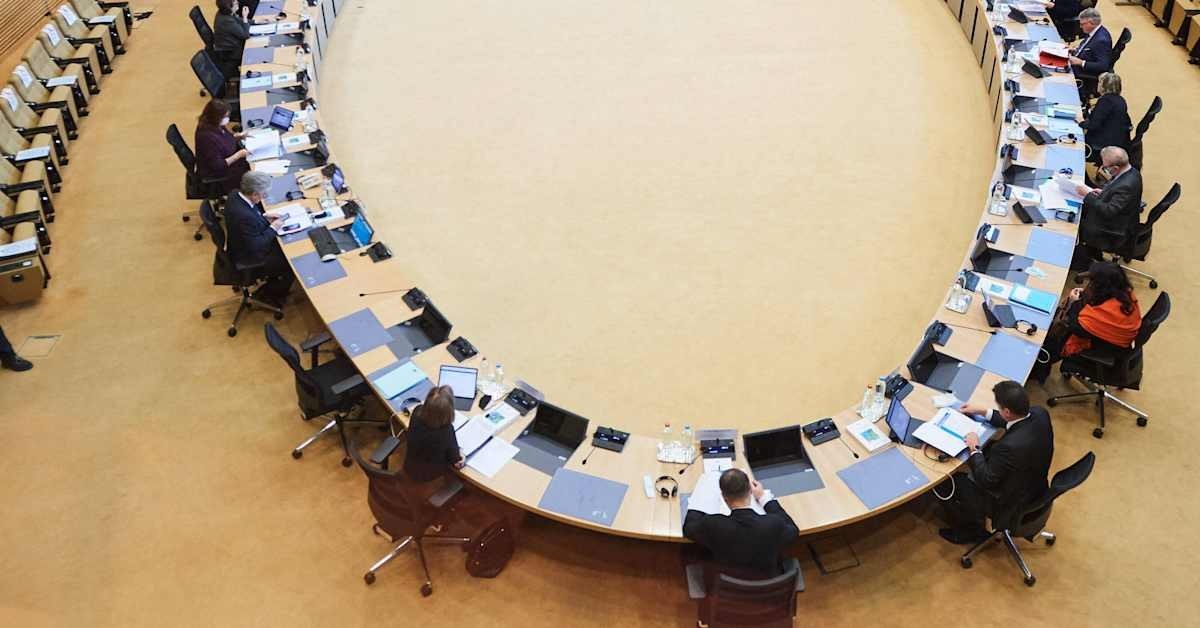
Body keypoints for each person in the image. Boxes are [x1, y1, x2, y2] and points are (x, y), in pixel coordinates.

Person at [938, 381, 1054, 544]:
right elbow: (1013, 420)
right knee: (991, 448)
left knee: (948, 482)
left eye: (998, 408)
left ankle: (970, 531)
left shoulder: (1009, 447)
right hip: (1035, 486)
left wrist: (974, 447)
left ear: (1006, 411)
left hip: (1010, 503)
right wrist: (984, 412)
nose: (998, 409)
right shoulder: (1040, 414)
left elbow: (985, 479)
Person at [1031, 261, 1141, 383]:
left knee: (1053, 339)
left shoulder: (1106, 313)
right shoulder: (1124, 293)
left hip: (1102, 349)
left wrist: (1074, 302)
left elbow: (1075, 326)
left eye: (1093, 282)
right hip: (1116, 344)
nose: (1090, 285)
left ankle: (1038, 369)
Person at [682, 468, 799, 576]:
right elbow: (793, 530)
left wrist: (701, 498)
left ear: (723, 496)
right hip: (767, 588)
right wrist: (764, 498)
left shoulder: (713, 525)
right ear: (750, 491)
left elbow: (688, 528)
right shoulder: (773, 524)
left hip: (725, 587)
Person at [223, 171, 294, 308]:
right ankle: (271, 295)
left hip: (238, 243)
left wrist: (264, 218)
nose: (264, 197)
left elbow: (251, 217)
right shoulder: (244, 217)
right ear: (254, 194)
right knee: (290, 262)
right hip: (249, 256)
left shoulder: (235, 195)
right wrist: (273, 228)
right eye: (263, 194)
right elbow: (256, 244)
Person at [1072, 146, 1142, 267]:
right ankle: (1091, 253)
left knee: (1072, 224)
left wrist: (1087, 195)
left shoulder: (1127, 185)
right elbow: (1115, 191)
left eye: (1105, 167)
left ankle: (1081, 262)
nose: (1103, 169)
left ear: (1115, 168)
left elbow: (1109, 211)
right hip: (1120, 217)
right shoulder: (1131, 171)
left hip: (1112, 229)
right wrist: (1104, 192)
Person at [403, 386, 465, 483]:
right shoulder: (446, 431)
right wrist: (461, 453)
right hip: (430, 477)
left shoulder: (417, 411)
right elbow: (456, 460)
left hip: (409, 465)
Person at [194, 99, 249, 193]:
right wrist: (239, 155)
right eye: (225, 116)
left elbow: (225, 139)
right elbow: (219, 166)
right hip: (220, 173)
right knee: (253, 174)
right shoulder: (206, 138)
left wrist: (238, 136)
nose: (228, 119)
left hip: (229, 158)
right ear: (215, 117)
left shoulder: (215, 124)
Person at [1080, 73, 1131, 165]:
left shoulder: (1106, 101)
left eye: (1100, 82)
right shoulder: (1120, 100)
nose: (1098, 84)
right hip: (1115, 141)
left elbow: (1093, 125)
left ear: (1104, 86)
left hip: (1101, 143)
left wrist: (1080, 122)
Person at [212, 0, 251, 79]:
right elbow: (245, 35)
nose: (238, 3)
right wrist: (245, 17)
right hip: (232, 54)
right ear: (229, 7)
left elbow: (238, 21)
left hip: (232, 46)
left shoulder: (223, 13)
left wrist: (256, 21)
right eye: (235, 3)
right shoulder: (227, 21)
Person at [1068, 8, 1112, 75]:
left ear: (1091, 23)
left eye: (1082, 24)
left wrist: (1081, 62)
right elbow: (1088, 46)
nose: (1080, 27)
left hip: (1082, 71)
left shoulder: (1101, 41)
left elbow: (1103, 66)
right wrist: (1076, 49)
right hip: (1078, 58)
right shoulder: (1094, 31)